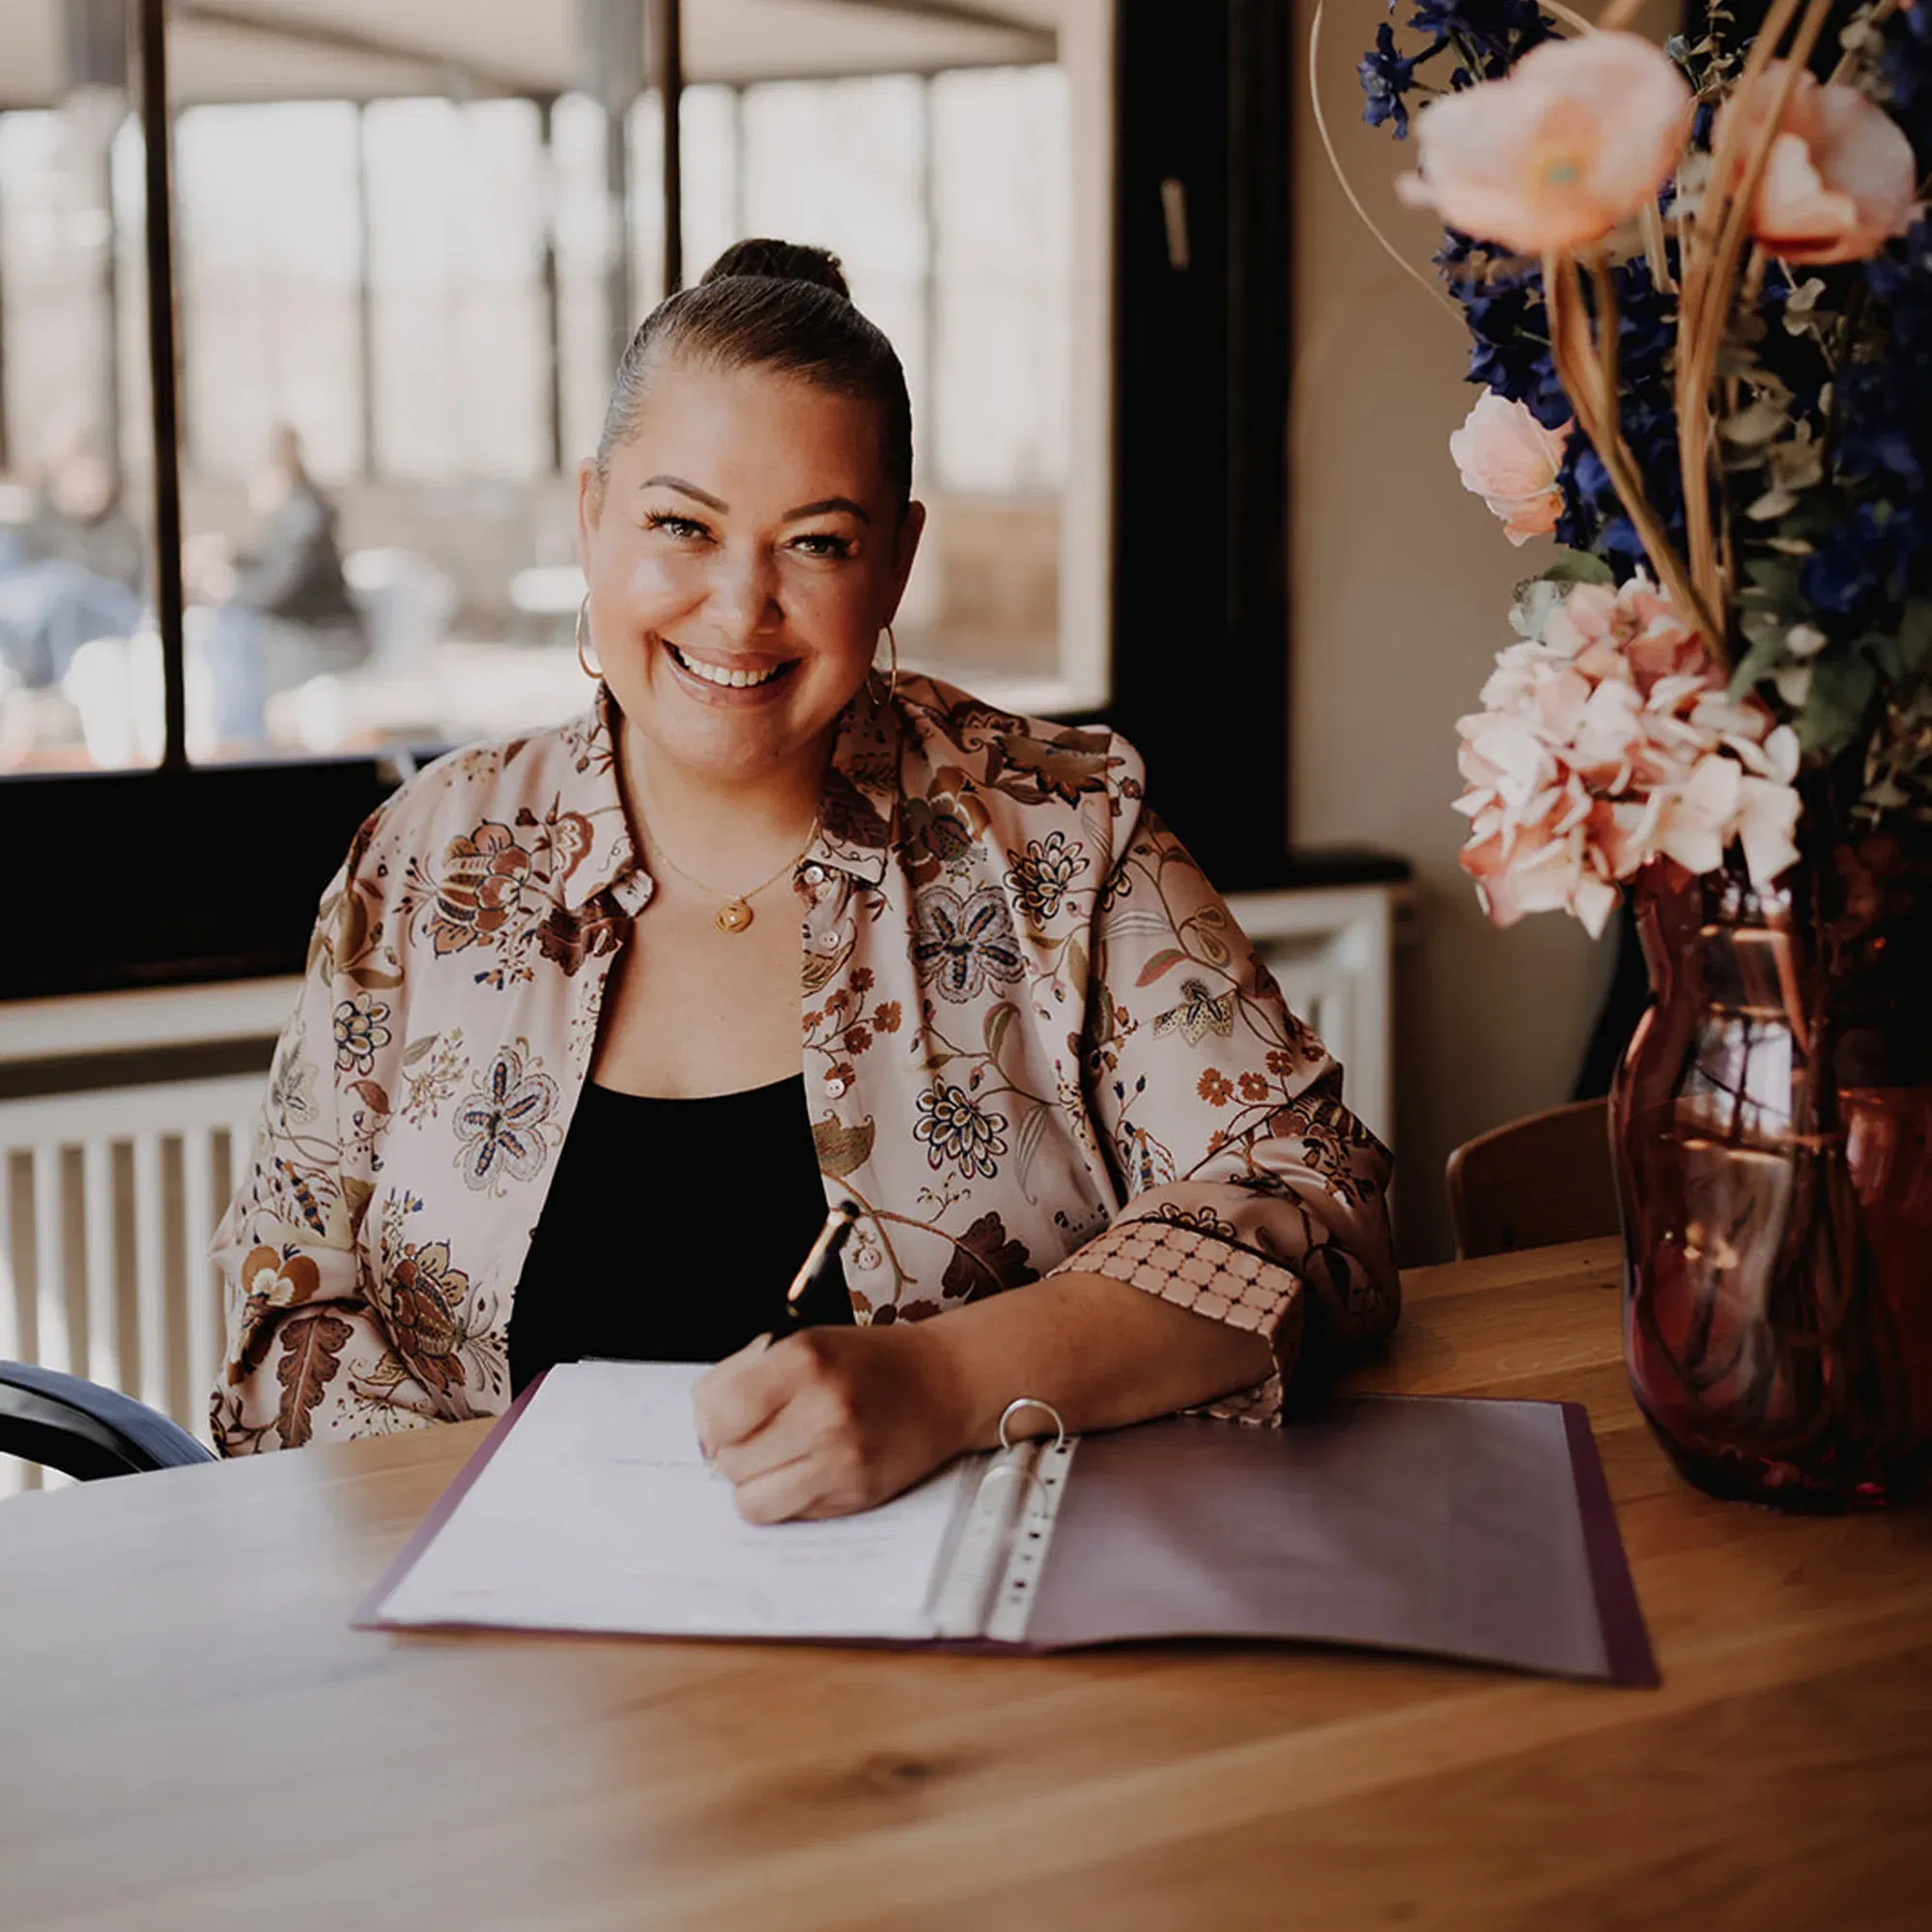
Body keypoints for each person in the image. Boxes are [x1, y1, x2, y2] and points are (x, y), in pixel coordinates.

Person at [212, 240, 1398, 1520]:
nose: (741, 609)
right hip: (506, 1656)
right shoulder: (426, 859)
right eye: (680, 525)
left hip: (971, 1654)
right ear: (592, 516)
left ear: (895, 560)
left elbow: (1323, 1205)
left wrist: (945, 1382)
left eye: (818, 544)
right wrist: (505, 1534)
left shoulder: (1054, 833)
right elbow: (280, 1321)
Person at [190, 423, 365, 744]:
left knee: (231, 634)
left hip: (326, 639)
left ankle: (241, 744)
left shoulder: (304, 520)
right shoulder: (293, 518)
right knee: (225, 631)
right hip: (304, 632)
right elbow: (269, 564)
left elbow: (278, 588)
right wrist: (229, 555)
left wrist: (228, 590)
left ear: (276, 474)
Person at [0, 432, 145, 691]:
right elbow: (31, 554)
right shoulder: (48, 518)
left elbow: (120, 578)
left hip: (108, 609)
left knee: (60, 586)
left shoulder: (119, 526)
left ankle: (56, 686)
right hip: (40, 604)